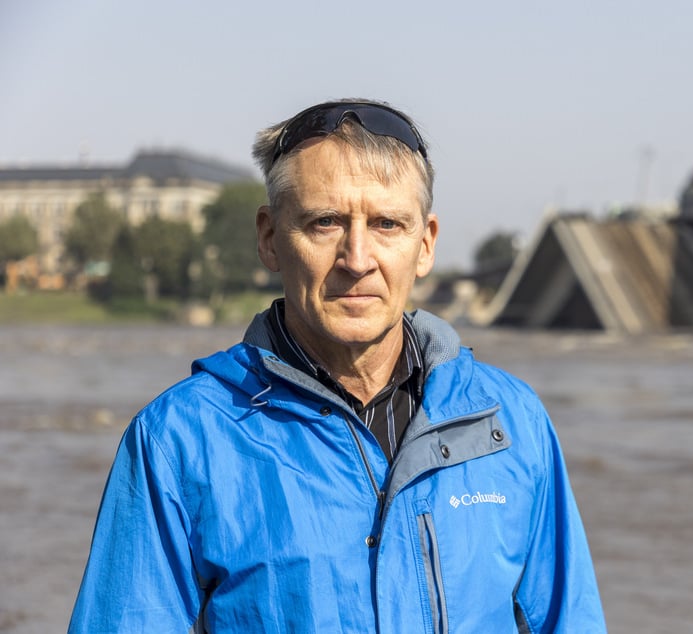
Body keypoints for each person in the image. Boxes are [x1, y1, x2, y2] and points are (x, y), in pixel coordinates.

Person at [69, 99, 606, 633]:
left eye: (387, 224)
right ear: (269, 238)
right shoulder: (178, 441)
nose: (357, 257)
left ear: (425, 245)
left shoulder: (508, 423)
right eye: (325, 222)